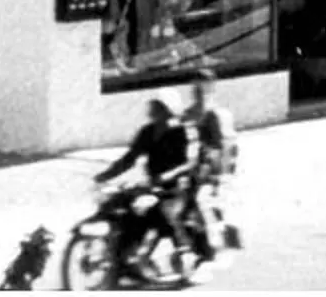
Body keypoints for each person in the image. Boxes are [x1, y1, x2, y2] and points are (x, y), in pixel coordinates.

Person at [94, 94, 195, 275]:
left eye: (160, 108)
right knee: (122, 205)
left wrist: (169, 175)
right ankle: (124, 254)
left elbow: (188, 163)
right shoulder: (147, 132)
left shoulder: (180, 132)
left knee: (161, 211)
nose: (154, 112)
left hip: (174, 189)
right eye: (154, 107)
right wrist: (105, 175)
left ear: (169, 111)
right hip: (152, 186)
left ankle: (184, 252)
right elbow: (130, 158)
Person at [178, 68, 239, 264]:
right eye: (195, 87)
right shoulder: (188, 114)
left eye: (203, 87)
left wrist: (221, 174)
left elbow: (226, 147)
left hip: (211, 170)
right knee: (186, 206)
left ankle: (221, 245)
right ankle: (199, 249)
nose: (198, 91)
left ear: (212, 88)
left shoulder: (216, 115)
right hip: (192, 168)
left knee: (207, 205)